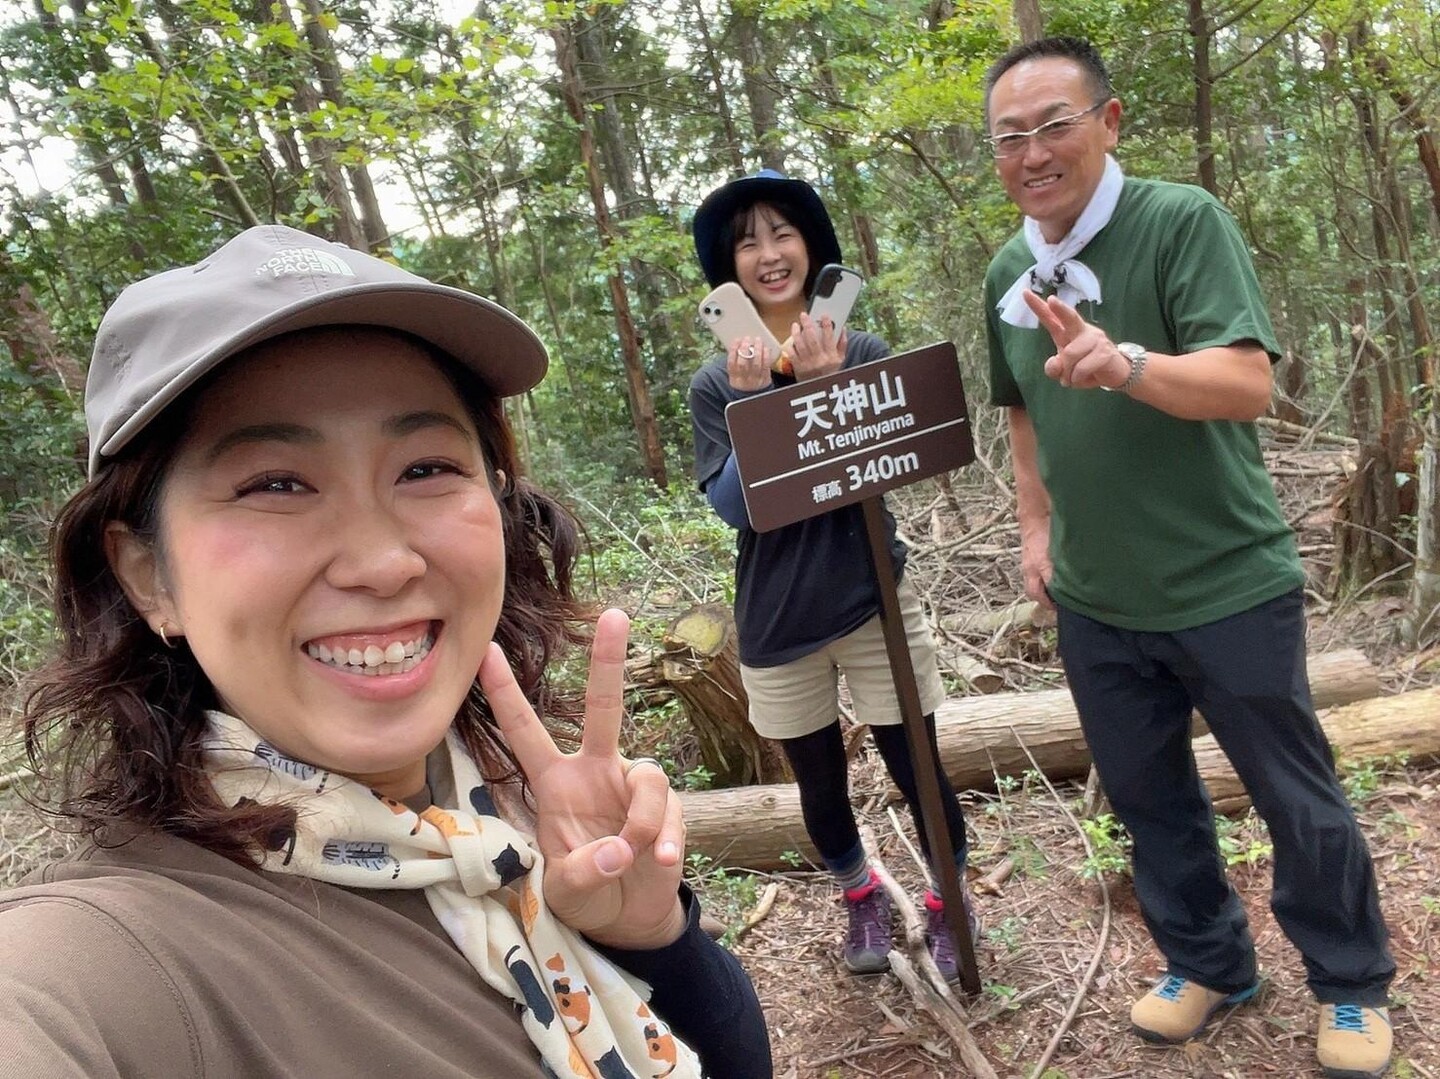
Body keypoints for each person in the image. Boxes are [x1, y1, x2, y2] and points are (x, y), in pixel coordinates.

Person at [0, 224, 772, 1078]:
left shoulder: (496, 808)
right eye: (276, 484)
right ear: (149, 576)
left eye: (425, 468)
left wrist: (653, 940)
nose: (382, 561)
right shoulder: (119, 957)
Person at [982, 36, 1395, 1078]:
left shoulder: (1178, 221)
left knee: (1296, 796)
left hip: (1225, 581)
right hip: (1097, 599)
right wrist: (1036, 530)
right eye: (1009, 137)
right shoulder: (1009, 269)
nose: (1033, 152)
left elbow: (1248, 382)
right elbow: (1023, 415)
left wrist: (1126, 362)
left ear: (1109, 122)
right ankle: (1208, 960)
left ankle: (1348, 980)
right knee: (1148, 794)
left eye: (1054, 125)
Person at [688, 170, 977, 980]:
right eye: (747, 242)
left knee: (915, 763)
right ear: (729, 267)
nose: (769, 254)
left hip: (872, 597)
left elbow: (888, 462)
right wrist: (755, 404)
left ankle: (949, 900)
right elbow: (741, 510)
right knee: (818, 779)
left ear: (811, 246)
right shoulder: (715, 384)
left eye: (783, 233)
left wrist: (826, 387)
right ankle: (860, 896)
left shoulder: (866, 353)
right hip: (779, 614)